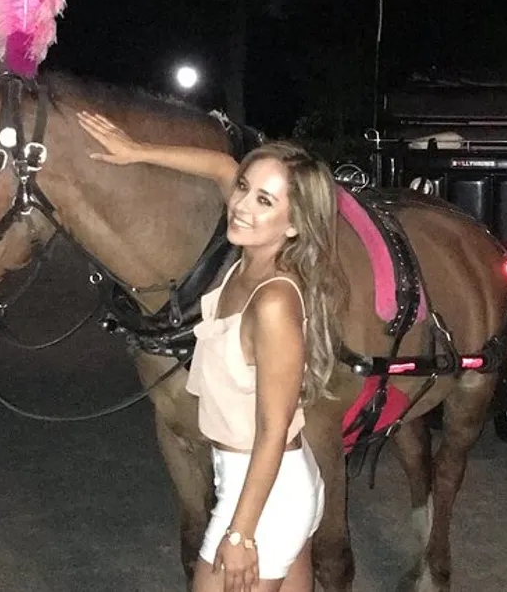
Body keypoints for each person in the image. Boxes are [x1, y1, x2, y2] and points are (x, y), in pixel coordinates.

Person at [78, 110, 346, 592]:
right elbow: (223, 166)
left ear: (294, 225)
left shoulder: (274, 300)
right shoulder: (249, 254)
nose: (241, 205)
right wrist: (136, 152)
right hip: (267, 483)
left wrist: (240, 533)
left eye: (265, 200)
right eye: (245, 189)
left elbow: (273, 429)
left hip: (265, 495)